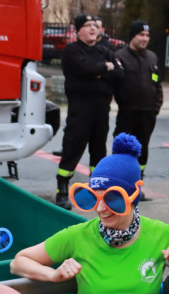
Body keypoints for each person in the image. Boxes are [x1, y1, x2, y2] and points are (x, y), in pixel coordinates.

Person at [12, 134, 169, 294]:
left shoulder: (159, 233)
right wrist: (52, 276)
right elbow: (19, 262)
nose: (101, 209)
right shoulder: (78, 235)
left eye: (112, 199)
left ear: (133, 197)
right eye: (93, 198)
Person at [54, 14, 122, 209]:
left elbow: (119, 74)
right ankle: (62, 190)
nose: (93, 28)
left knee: (99, 151)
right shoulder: (72, 51)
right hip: (80, 110)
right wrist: (103, 69)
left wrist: (100, 72)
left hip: (101, 110)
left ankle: (96, 191)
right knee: (72, 149)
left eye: (95, 25)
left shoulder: (106, 50)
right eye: (87, 25)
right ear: (78, 31)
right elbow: (84, 69)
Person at [113, 21, 163, 179]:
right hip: (127, 113)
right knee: (122, 149)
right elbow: (115, 84)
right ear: (132, 36)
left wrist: (155, 108)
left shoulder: (152, 57)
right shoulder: (120, 57)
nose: (145, 38)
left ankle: (137, 183)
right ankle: (118, 183)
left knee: (142, 149)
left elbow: (157, 83)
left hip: (148, 114)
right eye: (141, 35)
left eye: (147, 35)